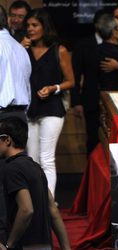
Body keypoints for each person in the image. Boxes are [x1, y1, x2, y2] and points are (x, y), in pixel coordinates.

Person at [25, 8, 74, 197]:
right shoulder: (24, 49)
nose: (30, 29)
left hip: (52, 109)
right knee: (32, 159)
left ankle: (49, 203)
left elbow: (71, 81)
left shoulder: (59, 50)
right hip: (31, 109)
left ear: (45, 27)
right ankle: (36, 200)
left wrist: (54, 88)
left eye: (34, 25)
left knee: (46, 159)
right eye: (28, 25)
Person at [0, 117, 70, 250]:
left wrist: (9, 244)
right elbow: (53, 210)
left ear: (7, 140)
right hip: (44, 245)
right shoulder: (35, 167)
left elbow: (26, 210)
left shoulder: (12, 168)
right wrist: (66, 248)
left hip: (24, 245)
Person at [0, 4, 31, 244]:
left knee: (3, 185)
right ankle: (17, 239)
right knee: (16, 180)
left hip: (3, 117)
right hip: (20, 115)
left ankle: (3, 240)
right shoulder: (19, 48)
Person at [70, 10, 105, 156]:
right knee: (92, 138)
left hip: (112, 98)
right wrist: (76, 101)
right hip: (91, 98)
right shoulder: (83, 44)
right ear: (97, 25)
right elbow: (75, 75)